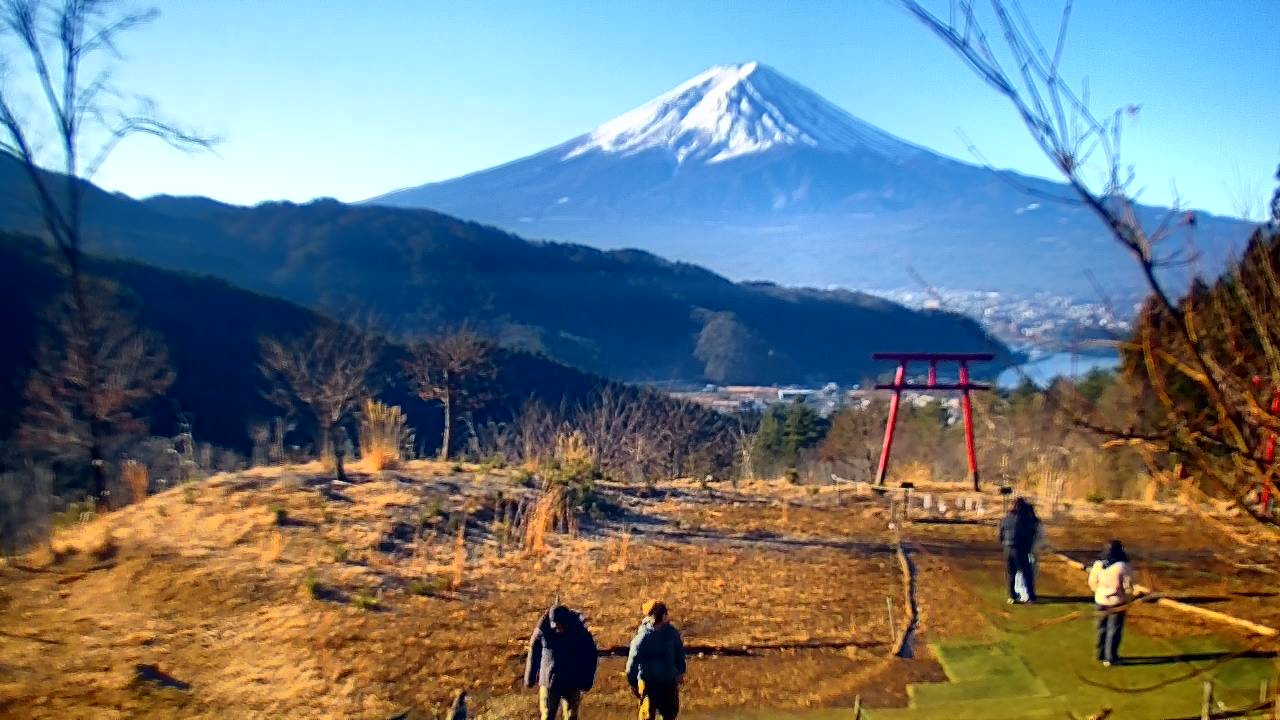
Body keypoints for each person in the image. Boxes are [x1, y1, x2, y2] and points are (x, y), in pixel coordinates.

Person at [525, 604, 598, 720]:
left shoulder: (580, 632)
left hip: (572, 681)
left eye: (561, 625)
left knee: (571, 716)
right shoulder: (543, 629)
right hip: (549, 681)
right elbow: (534, 652)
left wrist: (587, 680)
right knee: (547, 715)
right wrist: (530, 678)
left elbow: (590, 655)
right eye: (556, 626)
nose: (558, 629)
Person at [626, 600, 686, 720]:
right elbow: (632, 663)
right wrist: (634, 683)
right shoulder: (643, 637)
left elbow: (679, 654)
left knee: (670, 714)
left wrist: (680, 671)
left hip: (668, 682)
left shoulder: (672, 634)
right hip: (649, 683)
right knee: (647, 716)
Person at [1088, 540, 1135, 667]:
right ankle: (1110, 658)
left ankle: (1100, 653)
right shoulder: (1123, 566)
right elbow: (1127, 586)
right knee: (1113, 630)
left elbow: (1092, 581)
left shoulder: (1098, 564)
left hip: (1100, 600)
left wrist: (1099, 592)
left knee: (1101, 627)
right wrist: (1129, 598)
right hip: (1117, 602)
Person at [999, 497, 1041, 604]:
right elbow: (1028, 534)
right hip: (1019, 549)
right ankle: (1031, 597)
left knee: (1011, 574)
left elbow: (1001, 534)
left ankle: (1012, 597)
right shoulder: (1022, 520)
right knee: (1026, 573)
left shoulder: (1006, 519)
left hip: (1007, 549)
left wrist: (1004, 544)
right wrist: (1028, 547)